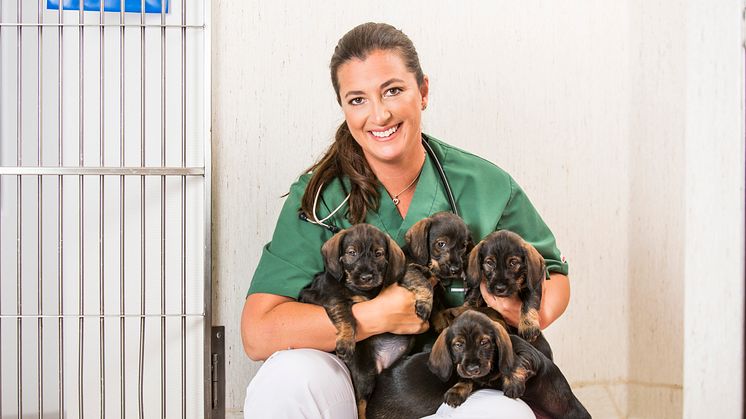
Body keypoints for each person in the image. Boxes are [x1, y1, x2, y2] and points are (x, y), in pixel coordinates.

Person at [240, 22, 571, 419]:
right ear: (344, 109)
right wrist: (373, 315)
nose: (378, 114)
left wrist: (507, 314)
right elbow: (258, 332)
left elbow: (554, 278)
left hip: (449, 385)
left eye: (393, 91)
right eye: (357, 99)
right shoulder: (321, 197)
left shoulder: (485, 186)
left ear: (424, 91)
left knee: (502, 415)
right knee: (288, 378)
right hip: (348, 379)